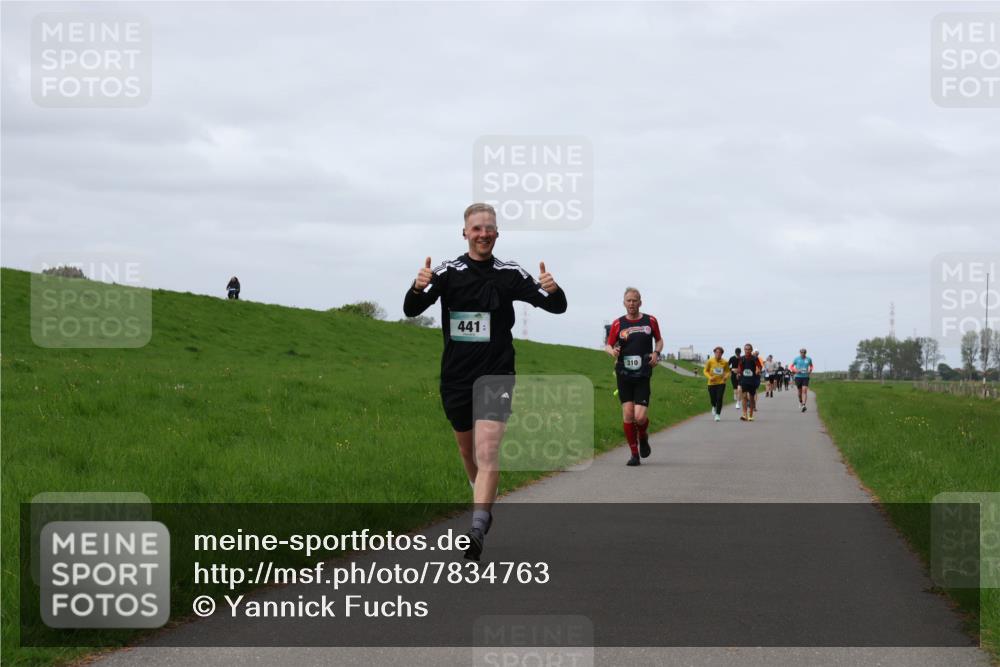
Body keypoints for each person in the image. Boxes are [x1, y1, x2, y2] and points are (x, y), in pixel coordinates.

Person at [403, 203, 567, 560]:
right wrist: (417, 289)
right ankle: (481, 495)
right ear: (465, 233)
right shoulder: (448, 272)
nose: (483, 234)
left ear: (497, 233)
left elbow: (556, 307)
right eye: (476, 228)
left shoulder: (509, 274)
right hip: (456, 377)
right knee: (467, 451)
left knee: (488, 449)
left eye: (489, 228)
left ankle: (477, 527)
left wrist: (553, 290)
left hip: (497, 373)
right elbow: (412, 310)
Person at [605, 288, 663, 466]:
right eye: (628, 300)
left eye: (634, 300)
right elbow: (607, 345)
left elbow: (659, 340)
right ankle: (634, 454)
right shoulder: (617, 324)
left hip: (643, 373)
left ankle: (643, 436)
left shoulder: (650, 321)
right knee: (628, 414)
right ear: (624, 303)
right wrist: (612, 351)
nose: (631, 304)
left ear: (640, 302)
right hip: (623, 374)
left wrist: (656, 353)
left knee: (639, 417)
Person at [703, 346, 730, 422]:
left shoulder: (725, 362)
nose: (718, 354)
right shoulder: (710, 361)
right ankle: (714, 406)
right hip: (711, 383)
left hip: (721, 383)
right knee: (713, 399)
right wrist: (709, 377)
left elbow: (728, 371)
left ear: (722, 354)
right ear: (714, 353)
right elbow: (705, 370)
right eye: (716, 352)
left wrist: (726, 377)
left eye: (720, 353)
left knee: (719, 398)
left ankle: (717, 414)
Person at [737, 343, 763, 421]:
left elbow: (759, 366)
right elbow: (739, 367)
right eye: (746, 349)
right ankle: (744, 414)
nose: (747, 350)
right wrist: (738, 373)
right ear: (744, 350)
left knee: (751, 398)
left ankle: (750, 414)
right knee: (744, 397)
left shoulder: (754, 358)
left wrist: (758, 370)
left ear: (751, 350)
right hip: (744, 380)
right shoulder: (742, 358)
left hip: (752, 380)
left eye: (749, 349)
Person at [790, 348, 814, 412]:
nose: (803, 354)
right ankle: (800, 401)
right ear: (800, 353)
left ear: (805, 353)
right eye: (801, 352)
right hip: (798, 377)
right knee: (799, 392)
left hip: (805, 377)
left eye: (804, 352)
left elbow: (811, 366)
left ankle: (804, 405)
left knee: (804, 390)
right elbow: (791, 366)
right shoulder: (796, 359)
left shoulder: (808, 359)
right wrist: (796, 370)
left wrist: (810, 371)